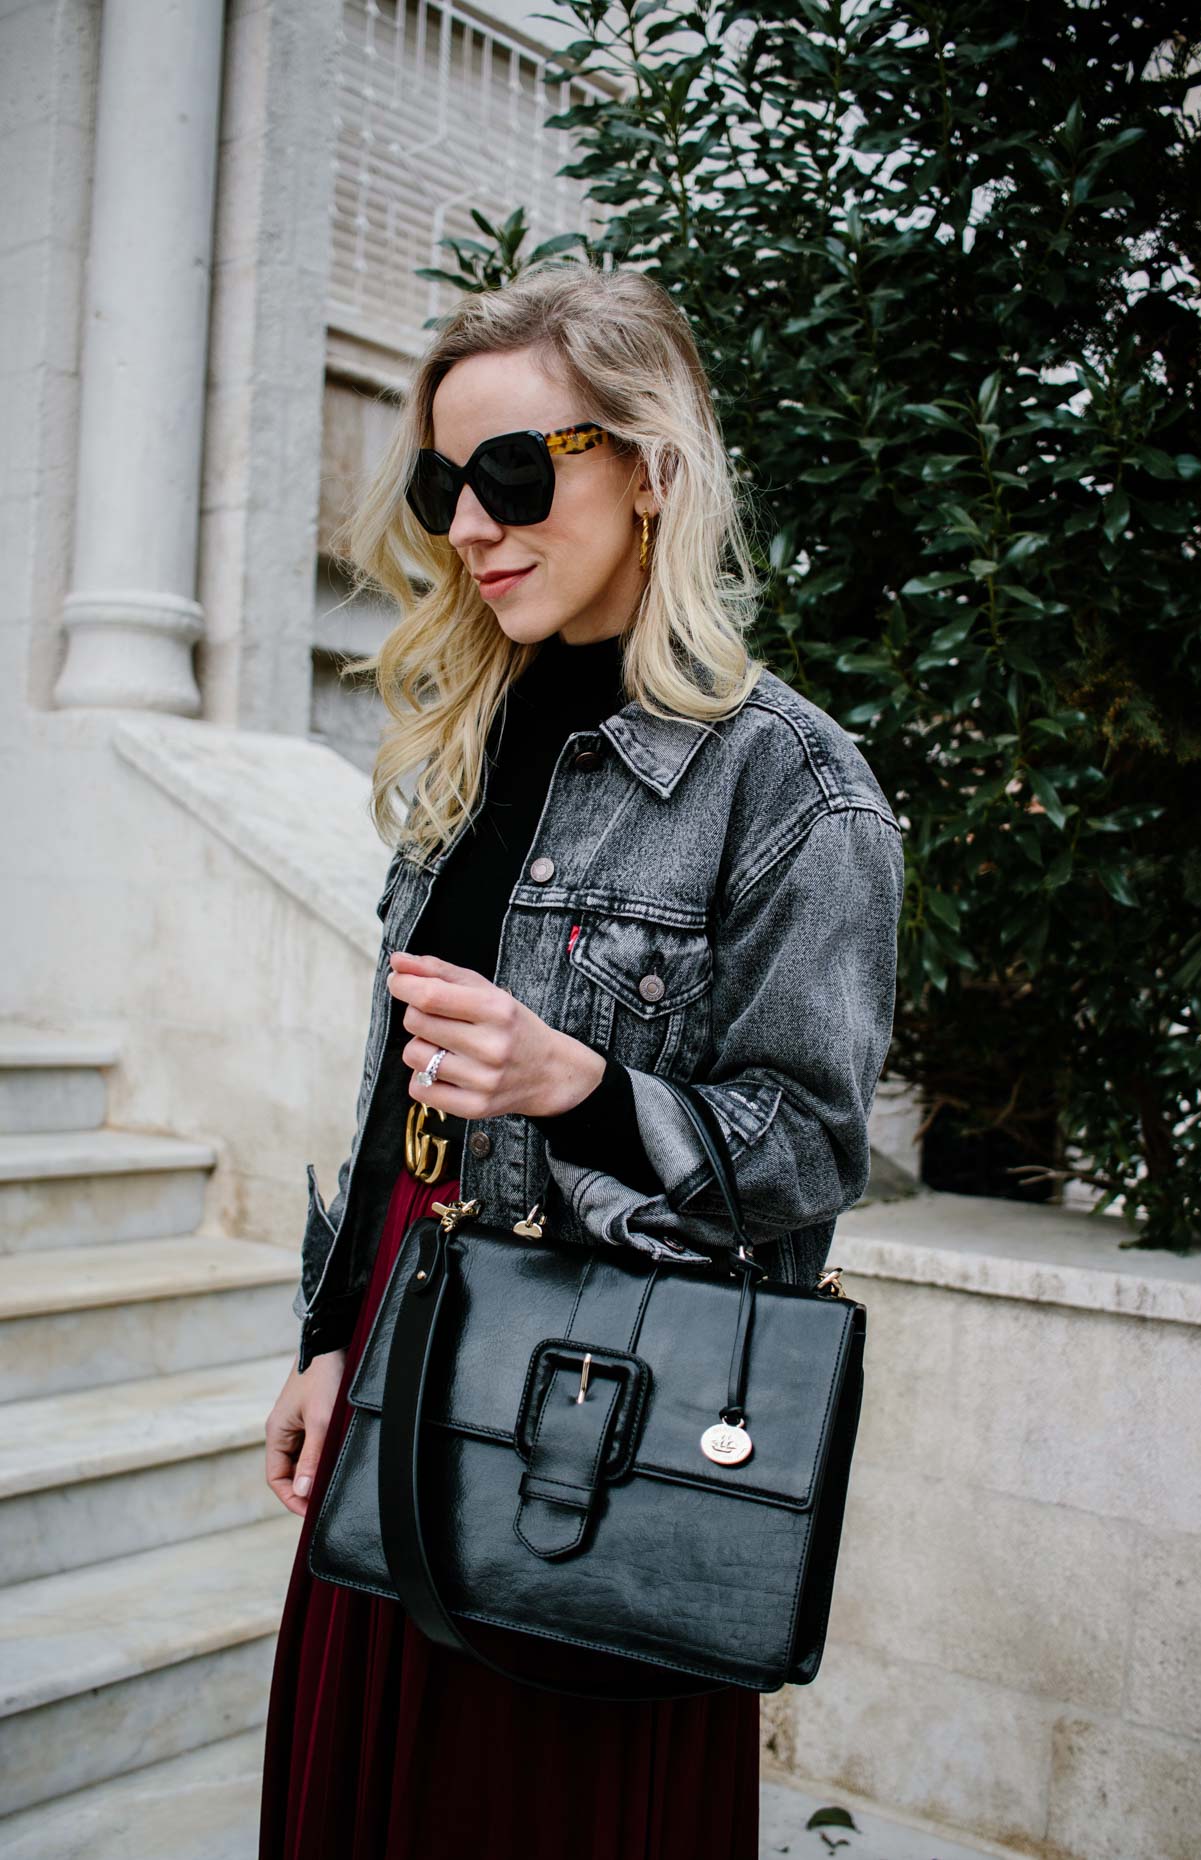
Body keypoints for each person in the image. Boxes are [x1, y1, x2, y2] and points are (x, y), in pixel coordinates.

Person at [259, 260, 904, 1859]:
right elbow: (395, 1085)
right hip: (413, 1322)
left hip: (600, 1399)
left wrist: (585, 1088)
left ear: (650, 467)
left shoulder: (796, 789)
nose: (467, 525)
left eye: (512, 471)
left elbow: (814, 1155)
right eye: (440, 484)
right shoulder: (470, 733)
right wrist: (333, 1327)